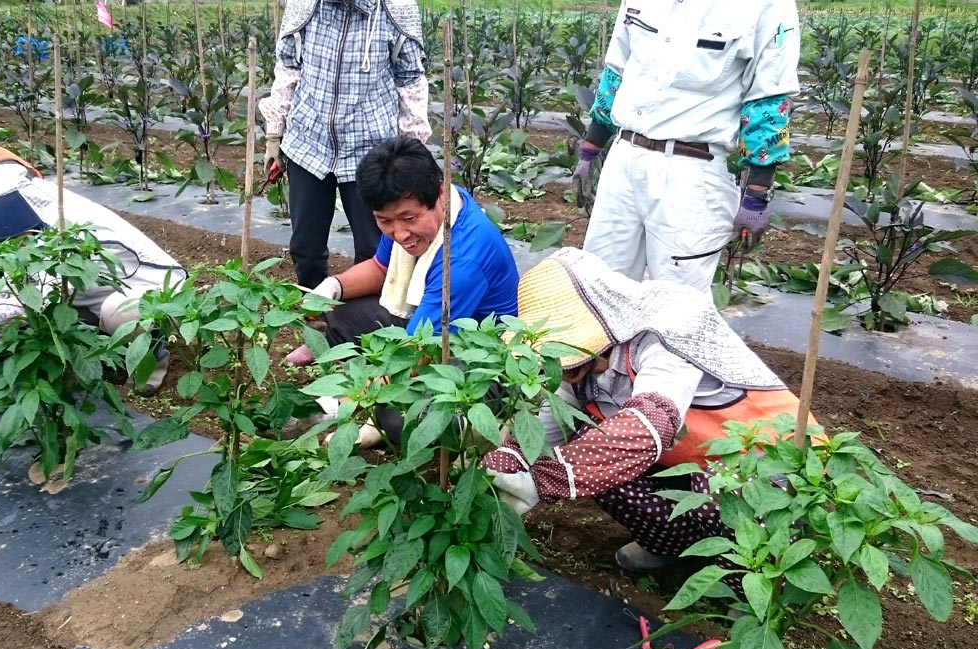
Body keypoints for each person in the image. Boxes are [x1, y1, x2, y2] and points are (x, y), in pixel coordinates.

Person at [483, 248, 813, 571]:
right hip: (688, 460)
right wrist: (502, 466)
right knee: (593, 445)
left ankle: (752, 573)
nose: (555, 363)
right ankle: (670, 545)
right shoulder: (578, 370)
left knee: (720, 485)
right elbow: (541, 432)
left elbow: (648, 426)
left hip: (772, 462)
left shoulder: (669, 329)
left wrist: (544, 479)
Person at [289, 136, 519, 447]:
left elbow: (417, 352)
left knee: (403, 420)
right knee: (338, 317)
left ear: (438, 195)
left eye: (409, 219)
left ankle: (487, 426)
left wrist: (347, 398)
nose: (399, 234)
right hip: (429, 327)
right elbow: (381, 268)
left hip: (478, 359)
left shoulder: (462, 260)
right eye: (384, 221)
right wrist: (333, 287)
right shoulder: (431, 207)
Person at [572, 1, 800, 292]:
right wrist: (590, 149)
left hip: (690, 172)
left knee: (678, 303)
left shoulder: (765, 5)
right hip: (624, 158)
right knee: (600, 288)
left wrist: (757, 193)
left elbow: (769, 97)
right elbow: (616, 71)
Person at [0, 165, 187, 393]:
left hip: (155, 292)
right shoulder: (28, 234)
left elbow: (26, 305)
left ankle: (149, 364)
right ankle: (93, 353)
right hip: (93, 293)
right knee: (58, 315)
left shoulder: (63, 228)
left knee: (120, 312)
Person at [258, 0, 431, 290]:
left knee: (373, 248)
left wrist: (410, 153)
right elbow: (288, 66)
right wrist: (275, 133)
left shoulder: (396, 8)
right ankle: (314, 314)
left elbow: (410, 81)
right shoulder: (306, 4)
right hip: (308, 142)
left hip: (370, 149)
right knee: (305, 247)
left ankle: (362, 324)